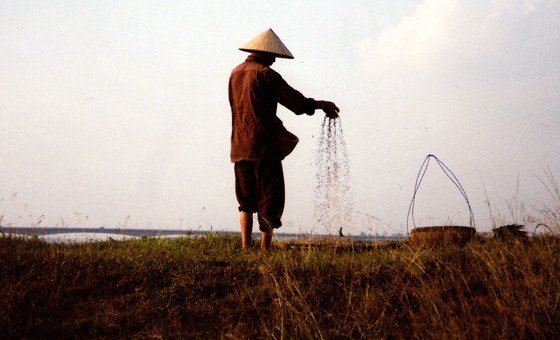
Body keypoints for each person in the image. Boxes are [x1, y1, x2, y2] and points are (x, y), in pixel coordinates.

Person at [229, 28, 339, 250]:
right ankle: (264, 250)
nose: (275, 61)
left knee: (246, 200)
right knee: (270, 197)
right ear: (268, 54)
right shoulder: (266, 74)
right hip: (263, 147)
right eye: (274, 57)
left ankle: (244, 247)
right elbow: (296, 103)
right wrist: (321, 104)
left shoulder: (235, 73)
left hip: (239, 146)